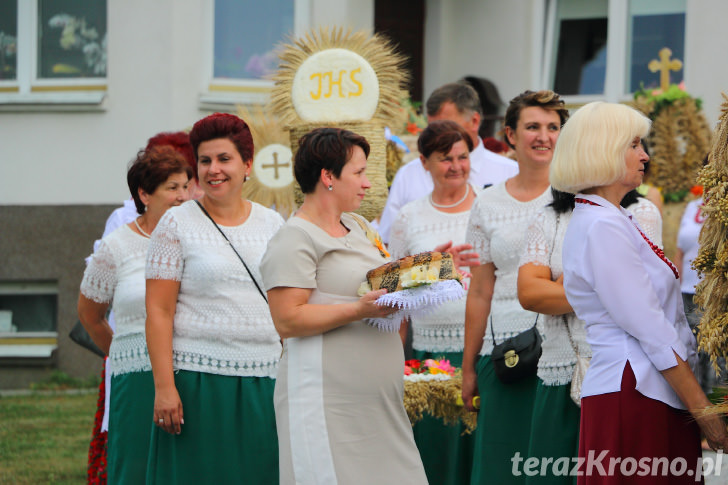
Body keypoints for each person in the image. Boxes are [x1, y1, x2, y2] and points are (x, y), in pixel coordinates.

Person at [551, 101, 728, 484]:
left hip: (649, 387)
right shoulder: (603, 226)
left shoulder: (611, 217)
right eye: (633, 145)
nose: (644, 155)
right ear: (603, 150)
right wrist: (702, 410)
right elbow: (650, 328)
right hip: (636, 389)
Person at [260, 127, 428, 484]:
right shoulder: (294, 237)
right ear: (328, 177)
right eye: (359, 172)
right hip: (327, 403)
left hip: (377, 404)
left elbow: (382, 283)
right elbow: (287, 319)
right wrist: (358, 310)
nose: (368, 183)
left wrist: (430, 266)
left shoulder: (359, 225)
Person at [145, 113, 284, 484]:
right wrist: (164, 387)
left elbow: (286, 302)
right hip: (199, 383)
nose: (213, 170)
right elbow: (159, 311)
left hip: (265, 379)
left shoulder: (273, 225)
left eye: (224, 159)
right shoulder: (175, 225)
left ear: (247, 165)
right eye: (205, 161)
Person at [517, 187, 661, 485]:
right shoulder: (548, 217)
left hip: (623, 376)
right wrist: (599, 283)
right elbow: (530, 294)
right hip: (561, 370)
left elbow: (637, 291)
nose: (643, 156)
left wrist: (561, 283)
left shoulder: (641, 213)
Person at [461, 89, 569, 485]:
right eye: (533, 127)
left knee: (549, 469)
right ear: (510, 135)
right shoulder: (487, 204)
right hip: (504, 353)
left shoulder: (576, 198)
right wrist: (469, 365)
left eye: (553, 127)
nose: (544, 136)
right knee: (500, 465)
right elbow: (479, 291)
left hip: (560, 350)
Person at [82, 130, 198, 483]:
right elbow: (90, 315)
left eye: (185, 186)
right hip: (136, 376)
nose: (182, 197)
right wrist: (122, 353)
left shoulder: (199, 240)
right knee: (135, 466)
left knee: (186, 469)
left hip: (193, 371)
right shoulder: (117, 246)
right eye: (171, 188)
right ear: (144, 194)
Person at [388, 120, 479, 485]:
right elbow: (392, 291)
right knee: (436, 457)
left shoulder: (487, 206)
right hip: (429, 358)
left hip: (482, 351)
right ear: (424, 163)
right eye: (445, 159)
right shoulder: (409, 216)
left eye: (463, 156)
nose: (457, 166)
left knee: (477, 456)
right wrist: (433, 268)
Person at [378, 82, 519, 242]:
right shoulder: (409, 175)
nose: (438, 137)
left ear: (474, 121)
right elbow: (389, 242)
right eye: (432, 129)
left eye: (448, 129)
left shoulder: (510, 173)